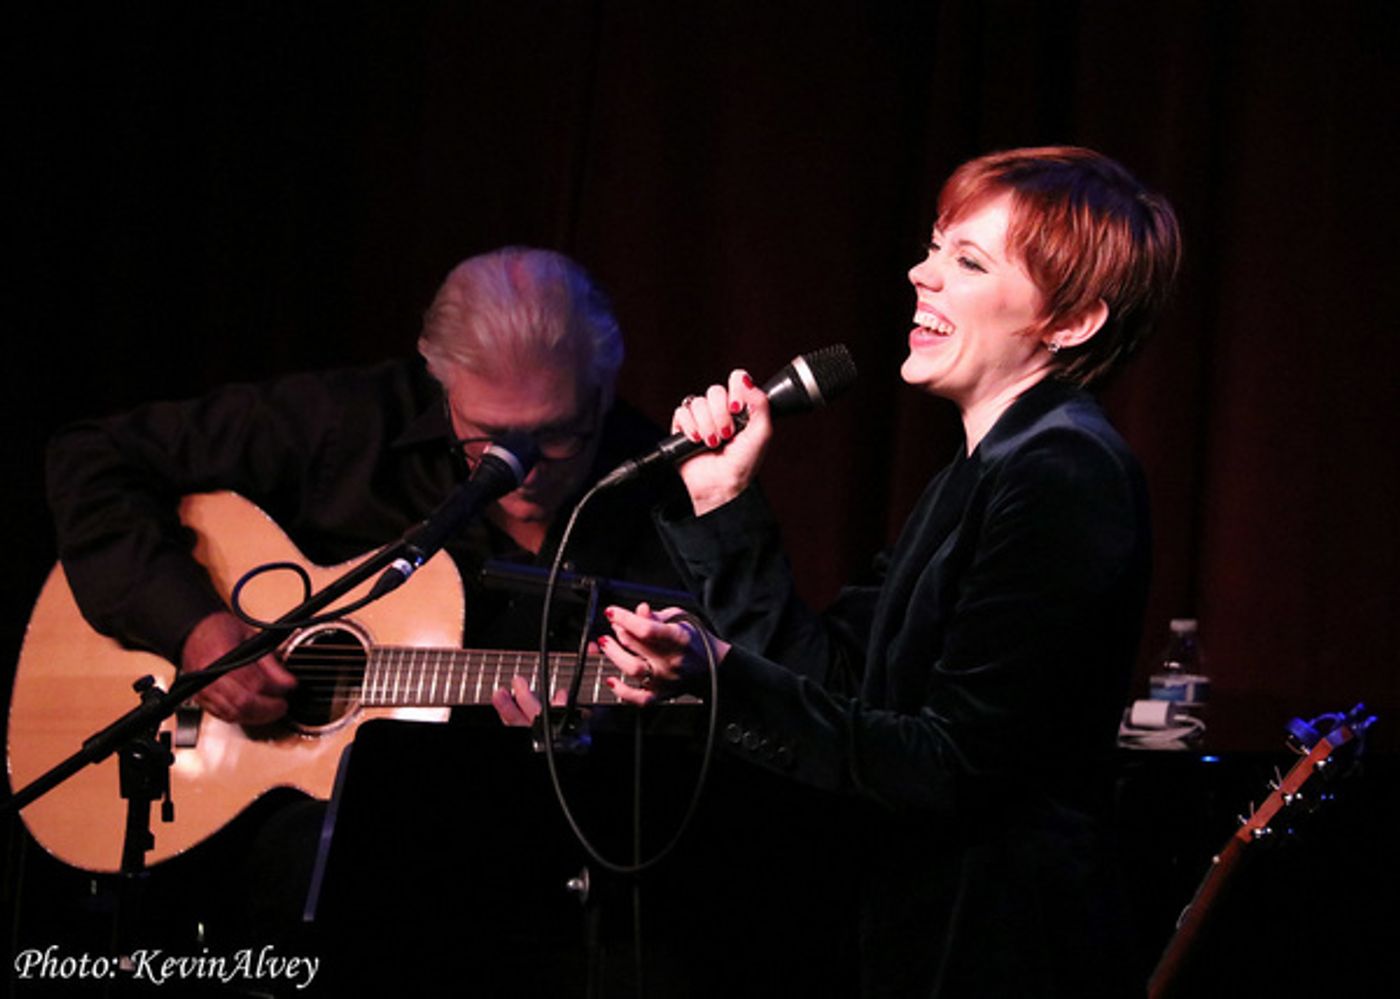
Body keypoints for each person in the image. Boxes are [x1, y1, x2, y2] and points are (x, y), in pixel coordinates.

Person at [599, 146, 1182, 997]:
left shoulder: (1064, 472)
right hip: (920, 933)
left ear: (1071, 322)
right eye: (934, 247)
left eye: (967, 261)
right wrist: (724, 499)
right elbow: (841, 680)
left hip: (999, 952)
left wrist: (721, 673)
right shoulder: (980, 470)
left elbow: (950, 766)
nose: (921, 274)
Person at [40, 246, 685, 976]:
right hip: (249, 835)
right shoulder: (348, 425)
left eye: (557, 433)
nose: (520, 466)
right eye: (486, 437)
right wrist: (191, 624)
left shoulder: (666, 496)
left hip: (519, 873)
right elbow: (91, 459)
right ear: (443, 383)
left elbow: (696, 730)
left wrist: (578, 746)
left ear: (603, 389)